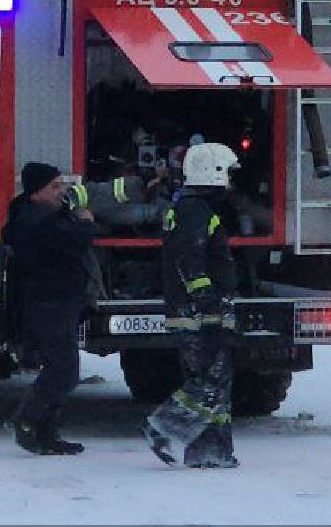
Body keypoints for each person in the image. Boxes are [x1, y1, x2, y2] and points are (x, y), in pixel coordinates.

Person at [143, 142, 241, 469]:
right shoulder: (195, 211)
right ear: (213, 172)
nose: (230, 181)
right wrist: (208, 301)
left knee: (217, 382)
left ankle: (210, 452)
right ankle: (162, 426)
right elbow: (190, 260)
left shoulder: (190, 208)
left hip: (198, 312)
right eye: (228, 173)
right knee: (209, 381)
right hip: (198, 314)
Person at [3, 160, 98, 455]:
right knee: (63, 369)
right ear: (36, 192)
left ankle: (47, 433)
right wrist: (86, 222)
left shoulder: (43, 214)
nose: (62, 192)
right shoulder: (36, 221)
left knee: (62, 368)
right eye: (54, 187)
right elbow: (76, 239)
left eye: (62, 185)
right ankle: (26, 421)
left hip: (59, 302)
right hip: (49, 304)